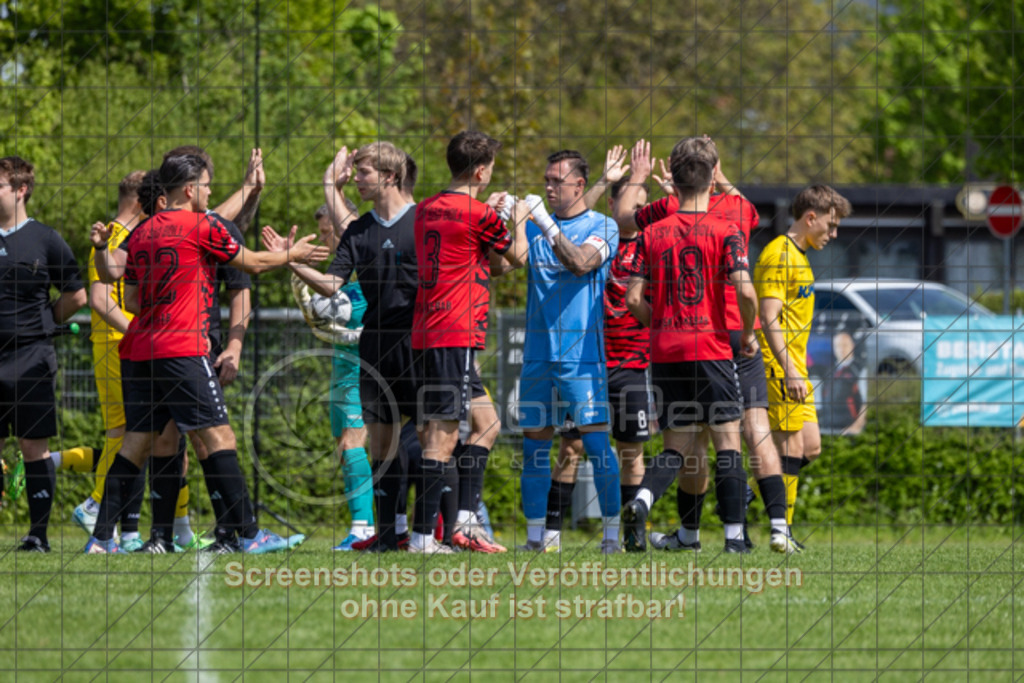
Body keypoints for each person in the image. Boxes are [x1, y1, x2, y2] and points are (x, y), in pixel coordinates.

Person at [84, 152, 327, 554]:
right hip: (183, 347)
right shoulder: (202, 226)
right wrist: (292, 254)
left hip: (140, 351)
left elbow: (132, 300)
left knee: (135, 444)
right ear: (189, 189)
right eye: (207, 185)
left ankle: (101, 538)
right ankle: (248, 534)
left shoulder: (142, 233)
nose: (210, 192)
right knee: (220, 438)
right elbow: (253, 264)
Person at [617, 138, 797, 553]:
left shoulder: (652, 230)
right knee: (729, 439)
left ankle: (643, 502)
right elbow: (746, 291)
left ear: (674, 182)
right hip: (713, 344)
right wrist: (748, 333)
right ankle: (737, 538)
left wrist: (661, 325)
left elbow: (632, 298)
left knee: (679, 445)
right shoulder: (728, 224)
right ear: (713, 176)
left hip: (666, 350)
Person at [278, 141, 418, 553]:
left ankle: (435, 530)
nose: (357, 179)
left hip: (420, 344)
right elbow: (330, 285)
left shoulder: (423, 220)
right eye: (354, 173)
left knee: (431, 440)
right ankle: (388, 533)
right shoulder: (361, 232)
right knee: (380, 444)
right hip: (372, 351)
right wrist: (290, 261)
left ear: (389, 176)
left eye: (364, 172)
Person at [410, 130, 525, 555]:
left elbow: (477, 257)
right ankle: (423, 538)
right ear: (480, 171)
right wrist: (521, 218)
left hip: (430, 331)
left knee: (487, 425)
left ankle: (465, 521)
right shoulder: (479, 215)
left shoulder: (426, 208)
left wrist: (487, 211)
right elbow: (517, 258)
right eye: (490, 167)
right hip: (454, 331)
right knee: (440, 439)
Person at [512, 149, 622, 554]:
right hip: (538, 355)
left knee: (596, 447)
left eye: (556, 181)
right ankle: (535, 539)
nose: (547, 187)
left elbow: (581, 263)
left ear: (579, 185)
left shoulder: (603, 226)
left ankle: (611, 538)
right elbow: (506, 264)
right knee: (534, 449)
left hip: (582, 358)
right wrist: (506, 219)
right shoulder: (536, 226)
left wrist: (542, 221)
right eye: (545, 180)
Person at [0, 155, 88, 552]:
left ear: (21, 190)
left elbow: (77, 295)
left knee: (33, 446)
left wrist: (42, 321)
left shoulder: (46, 239)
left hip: (31, 356)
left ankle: (38, 534)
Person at [754, 184, 852, 540]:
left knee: (811, 447)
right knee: (792, 448)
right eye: (831, 225)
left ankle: (751, 493)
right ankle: (783, 532)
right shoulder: (780, 254)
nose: (834, 233)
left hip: (796, 367)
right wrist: (789, 370)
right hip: (780, 366)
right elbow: (768, 317)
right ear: (811, 218)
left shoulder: (800, 254)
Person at [67, 170, 149, 550]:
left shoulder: (124, 236)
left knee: (128, 432)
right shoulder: (115, 237)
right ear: (140, 201)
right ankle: (96, 505)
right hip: (117, 343)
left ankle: (116, 522)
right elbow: (100, 300)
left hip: (118, 342)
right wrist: (137, 331)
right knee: (124, 431)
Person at [311, 201, 375, 551]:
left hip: (364, 374)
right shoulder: (343, 277)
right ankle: (366, 524)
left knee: (354, 444)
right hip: (342, 371)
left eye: (328, 232)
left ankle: (364, 528)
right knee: (344, 447)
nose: (325, 240)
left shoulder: (366, 271)